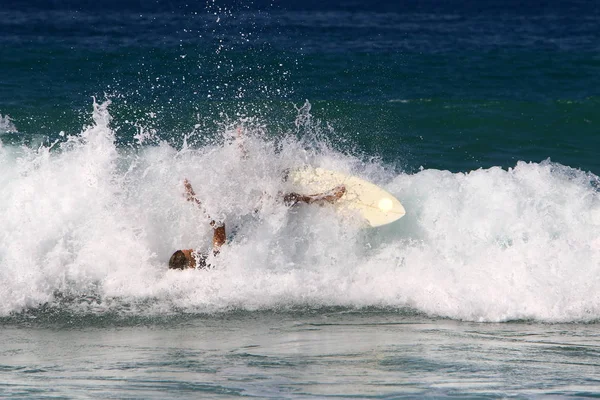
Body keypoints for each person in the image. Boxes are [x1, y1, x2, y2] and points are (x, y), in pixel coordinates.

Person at [168, 178, 346, 270]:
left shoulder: (210, 267)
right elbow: (219, 224)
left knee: (261, 194)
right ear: (191, 263)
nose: (195, 250)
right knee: (280, 197)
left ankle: (243, 154)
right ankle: (323, 199)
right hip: (254, 226)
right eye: (192, 253)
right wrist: (196, 200)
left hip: (247, 228)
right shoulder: (216, 256)